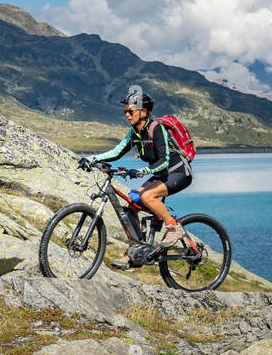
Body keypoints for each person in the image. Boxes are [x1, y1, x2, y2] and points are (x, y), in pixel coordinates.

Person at [80, 92, 192, 268]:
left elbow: (164, 161)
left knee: (148, 197)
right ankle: (136, 250)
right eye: (126, 111)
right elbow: (117, 152)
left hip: (178, 172)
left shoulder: (156, 129)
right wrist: (93, 158)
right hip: (160, 174)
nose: (127, 115)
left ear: (144, 112)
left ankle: (173, 227)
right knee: (131, 205)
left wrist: (143, 171)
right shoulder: (134, 132)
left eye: (131, 111)